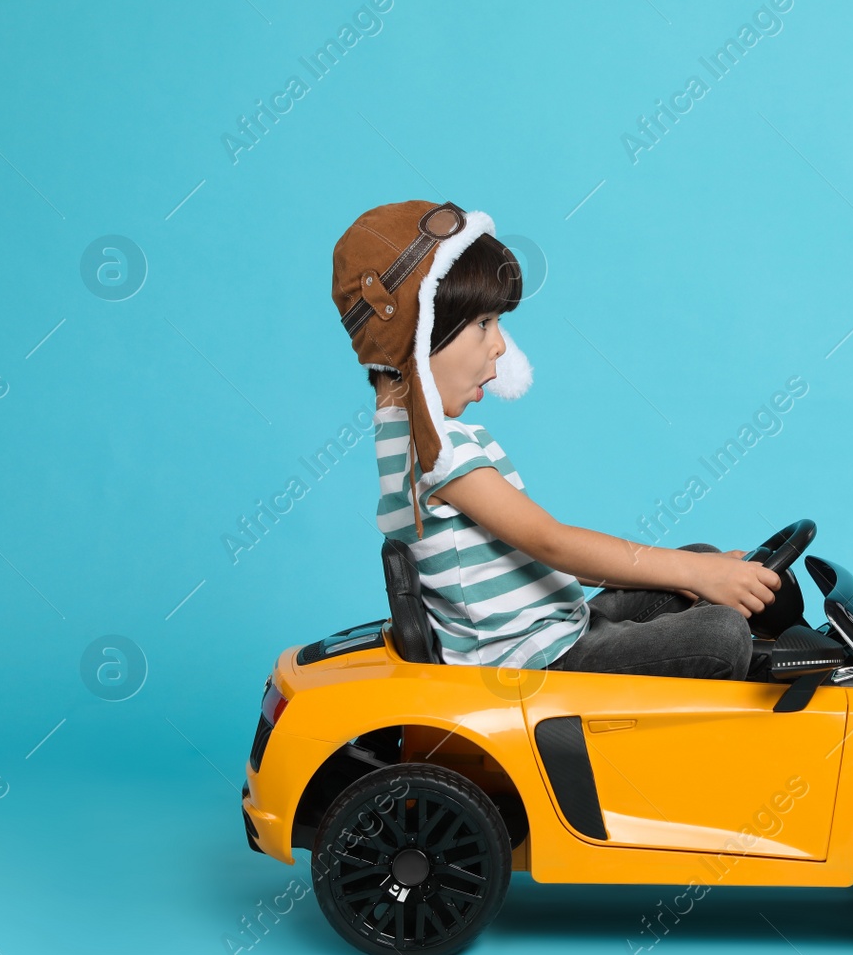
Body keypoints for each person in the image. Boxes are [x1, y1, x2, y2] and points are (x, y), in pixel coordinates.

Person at [332, 199, 778, 680]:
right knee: (723, 631)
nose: (500, 344)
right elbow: (552, 543)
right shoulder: (437, 451)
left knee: (700, 560)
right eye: (484, 324)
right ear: (416, 337)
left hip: (557, 629)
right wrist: (693, 576)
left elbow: (538, 552)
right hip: (537, 663)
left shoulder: (406, 440)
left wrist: (695, 570)